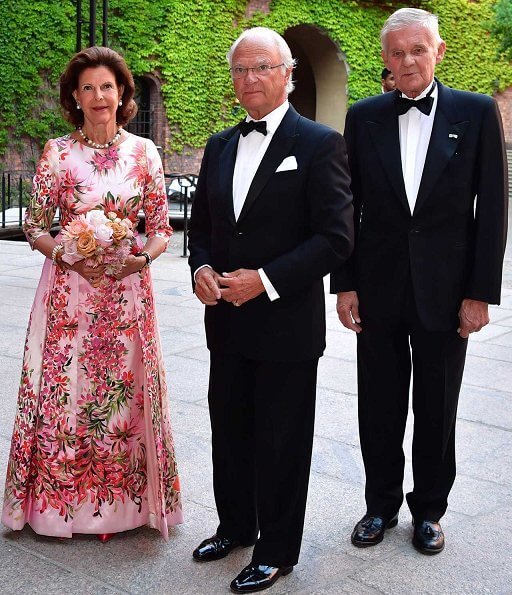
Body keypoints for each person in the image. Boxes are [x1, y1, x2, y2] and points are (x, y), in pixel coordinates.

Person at [331, 8, 508, 555]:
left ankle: (429, 509)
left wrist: (480, 294)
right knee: (377, 404)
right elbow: (347, 207)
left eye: (417, 50)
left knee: (438, 405)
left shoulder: (476, 112)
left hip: (447, 291)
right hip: (377, 288)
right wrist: (346, 283)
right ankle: (379, 505)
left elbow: (491, 210)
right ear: (385, 58)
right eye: (397, 52)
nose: (407, 61)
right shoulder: (363, 116)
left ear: (439, 52)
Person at [188, 27, 353, 593]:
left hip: (286, 325)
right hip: (225, 321)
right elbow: (203, 228)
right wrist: (200, 268)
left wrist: (265, 280)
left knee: (282, 442)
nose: (249, 78)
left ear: (288, 74)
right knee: (229, 430)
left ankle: (277, 551)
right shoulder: (219, 145)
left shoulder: (320, 143)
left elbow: (336, 238)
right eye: (239, 69)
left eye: (261, 67)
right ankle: (236, 527)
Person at [1, 46, 183, 542]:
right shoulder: (57, 153)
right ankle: (63, 508)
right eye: (88, 88)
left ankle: (124, 509)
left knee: (124, 392)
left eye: (107, 86)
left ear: (122, 93)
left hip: (127, 293)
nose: (99, 96)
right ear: (75, 97)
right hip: (69, 293)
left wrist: (141, 260)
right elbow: (35, 226)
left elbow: (160, 229)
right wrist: (69, 256)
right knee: (66, 391)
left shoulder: (144, 153)